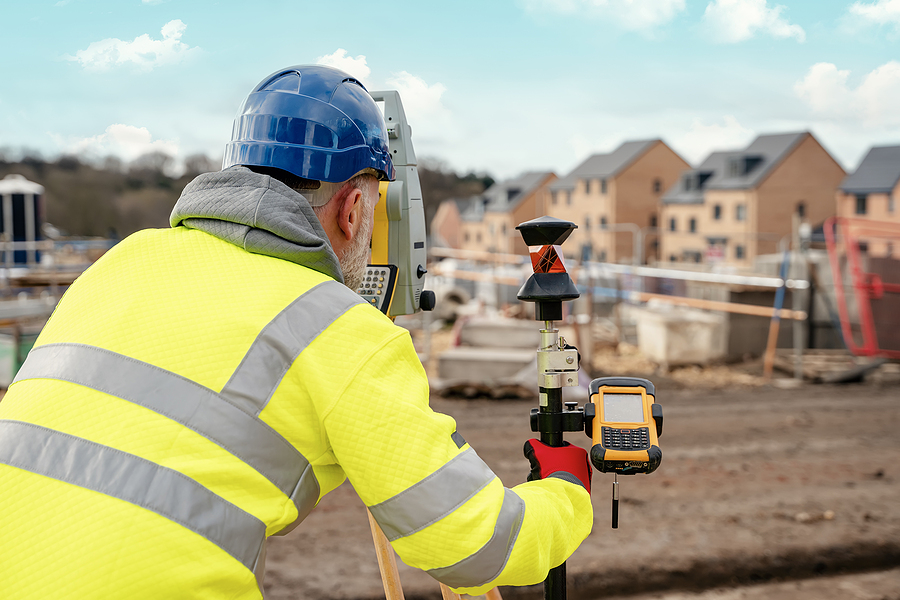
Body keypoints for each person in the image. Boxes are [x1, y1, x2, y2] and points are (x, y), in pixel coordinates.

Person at [0, 64, 592, 599]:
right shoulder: (337, 329)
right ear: (354, 210)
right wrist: (567, 492)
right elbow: (468, 541)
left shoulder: (125, 259)